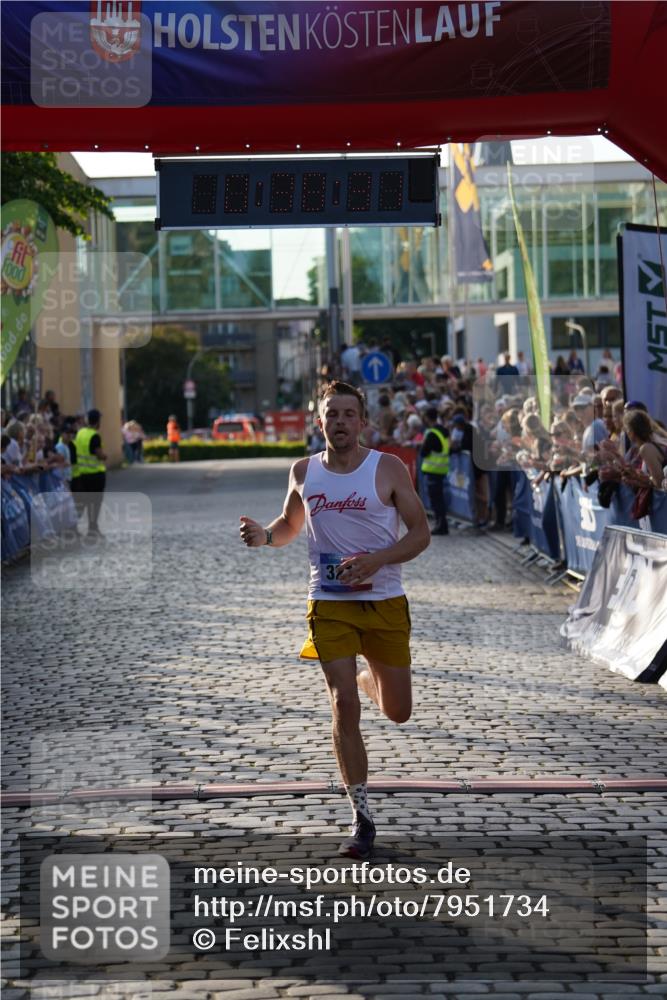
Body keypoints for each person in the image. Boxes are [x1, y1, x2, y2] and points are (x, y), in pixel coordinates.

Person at [239, 380, 430, 859]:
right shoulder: (303, 471)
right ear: (318, 420)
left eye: (349, 414)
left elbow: (421, 532)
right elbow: (289, 525)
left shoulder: (386, 468)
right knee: (343, 704)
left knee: (398, 711)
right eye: (332, 414)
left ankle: (372, 680)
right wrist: (265, 536)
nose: (340, 422)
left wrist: (378, 560)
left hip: (384, 600)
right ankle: (361, 816)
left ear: (361, 422)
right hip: (328, 602)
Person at [74, 409, 107, 536]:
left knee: (83, 501)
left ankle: (75, 526)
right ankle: (92, 528)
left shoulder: (80, 432)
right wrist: (105, 456)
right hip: (95, 474)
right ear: (97, 421)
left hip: (82, 474)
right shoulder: (94, 435)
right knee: (95, 502)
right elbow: (98, 453)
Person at [420, 406, 450, 535]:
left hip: (433, 471)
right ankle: (441, 523)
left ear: (427, 418)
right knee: (440, 499)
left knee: (436, 501)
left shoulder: (431, 433)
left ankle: (441, 525)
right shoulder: (444, 431)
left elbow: (424, 452)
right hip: (442, 470)